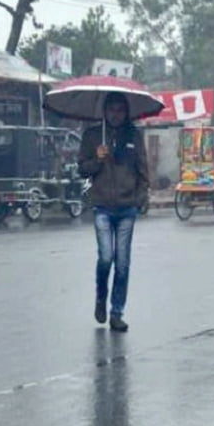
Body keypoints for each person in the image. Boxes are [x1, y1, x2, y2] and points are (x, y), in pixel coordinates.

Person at [78, 92, 149, 332]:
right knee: (106, 257)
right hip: (102, 207)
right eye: (112, 110)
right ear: (104, 112)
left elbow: (143, 170)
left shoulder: (134, 136)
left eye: (120, 110)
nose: (116, 114)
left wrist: (140, 198)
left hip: (127, 208)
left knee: (122, 263)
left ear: (126, 112)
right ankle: (101, 297)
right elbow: (82, 169)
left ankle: (116, 312)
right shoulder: (92, 136)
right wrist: (97, 159)